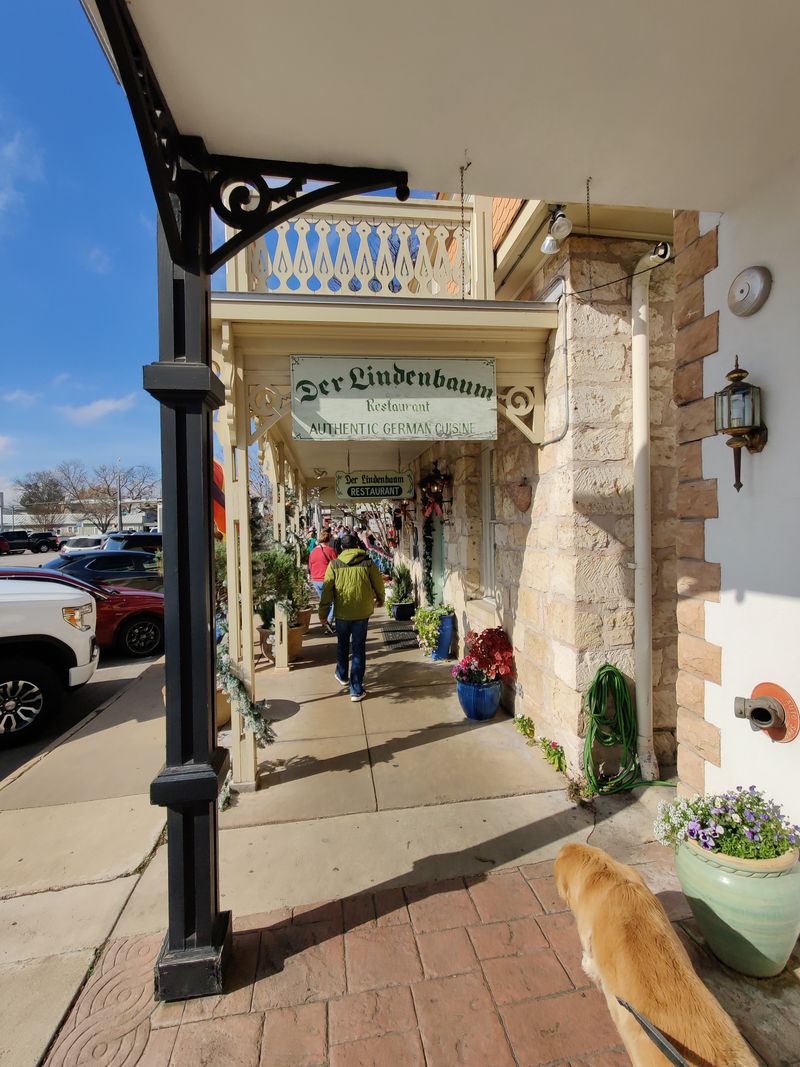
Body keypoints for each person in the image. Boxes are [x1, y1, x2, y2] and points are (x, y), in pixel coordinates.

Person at [319, 532, 385, 701]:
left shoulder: (334, 565)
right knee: (358, 648)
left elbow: (327, 591)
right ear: (357, 545)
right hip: (362, 612)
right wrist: (380, 598)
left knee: (342, 644)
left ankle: (342, 675)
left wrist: (323, 614)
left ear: (341, 546)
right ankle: (356, 689)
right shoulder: (368, 563)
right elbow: (378, 582)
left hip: (342, 612)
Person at [308, 528, 337, 630]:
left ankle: (324, 620)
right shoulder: (330, 551)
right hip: (327, 580)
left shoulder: (313, 552)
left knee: (324, 602)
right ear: (328, 540)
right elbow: (336, 566)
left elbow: (310, 566)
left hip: (316, 580)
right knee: (334, 602)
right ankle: (328, 622)